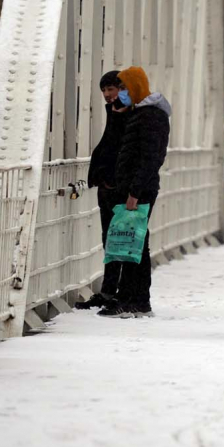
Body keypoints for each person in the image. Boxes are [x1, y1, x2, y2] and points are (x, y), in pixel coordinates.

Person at [98, 66, 171, 319]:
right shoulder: (141, 113)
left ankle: (136, 300)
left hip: (139, 190)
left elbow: (150, 158)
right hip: (131, 188)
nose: (121, 94)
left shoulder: (151, 116)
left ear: (136, 87)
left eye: (125, 88)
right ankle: (130, 297)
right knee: (133, 242)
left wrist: (135, 192)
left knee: (136, 244)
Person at [77, 70, 130, 310]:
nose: (108, 95)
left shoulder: (129, 113)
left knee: (120, 240)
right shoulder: (114, 112)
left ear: (124, 89)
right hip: (108, 185)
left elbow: (120, 147)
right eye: (104, 91)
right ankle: (109, 290)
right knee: (110, 239)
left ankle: (117, 292)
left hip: (119, 187)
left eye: (112, 89)